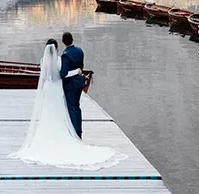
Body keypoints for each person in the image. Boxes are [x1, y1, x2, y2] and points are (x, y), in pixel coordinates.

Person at [8, 38, 123, 170]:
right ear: (56, 48)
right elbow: (64, 74)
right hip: (57, 89)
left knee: (48, 113)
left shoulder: (42, 60)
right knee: (59, 112)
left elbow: (45, 77)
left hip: (47, 88)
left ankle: (46, 139)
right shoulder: (60, 60)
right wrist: (77, 71)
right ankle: (65, 135)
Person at [59, 31, 85, 138]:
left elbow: (63, 74)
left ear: (63, 42)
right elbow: (81, 67)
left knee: (72, 108)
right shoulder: (80, 51)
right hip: (79, 83)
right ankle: (79, 131)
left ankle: (75, 133)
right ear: (72, 40)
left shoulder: (65, 55)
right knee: (77, 107)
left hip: (70, 85)